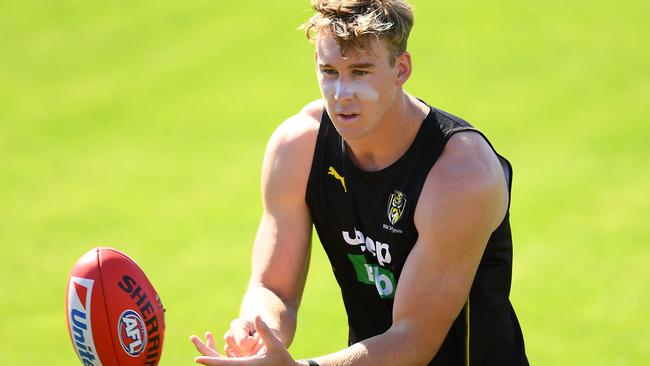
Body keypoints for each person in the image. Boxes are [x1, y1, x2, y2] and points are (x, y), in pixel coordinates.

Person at [190, 0, 528, 365]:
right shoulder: (298, 148)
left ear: (401, 69)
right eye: (330, 71)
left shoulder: (461, 174)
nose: (342, 94)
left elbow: (412, 340)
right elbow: (273, 288)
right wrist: (258, 330)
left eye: (361, 72)